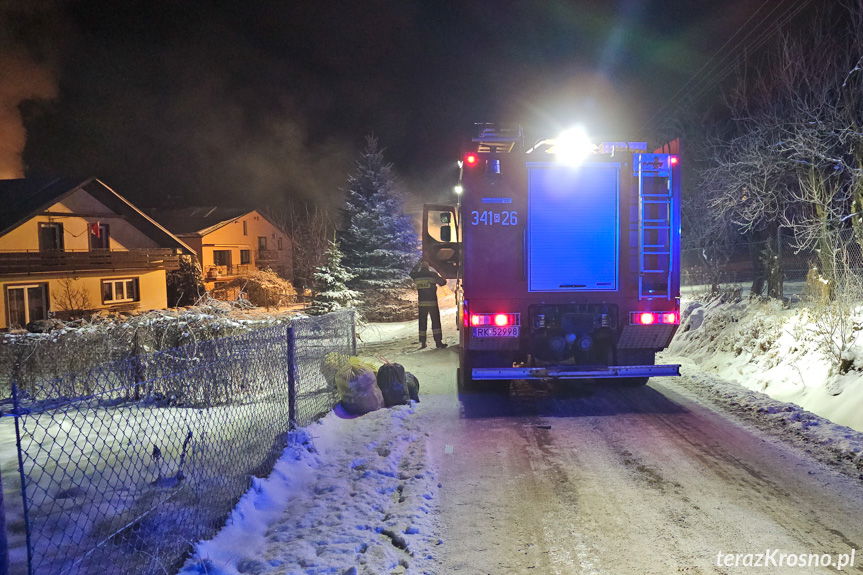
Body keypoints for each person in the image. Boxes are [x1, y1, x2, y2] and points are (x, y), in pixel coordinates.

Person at [410, 259, 448, 349]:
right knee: (436, 323)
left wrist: (416, 264)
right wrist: (435, 267)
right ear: (428, 266)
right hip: (432, 303)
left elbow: (411, 274)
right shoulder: (432, 275)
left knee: (422, 323)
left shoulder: (417, 276)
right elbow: (443, 282)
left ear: (421, 266)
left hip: (422, 304)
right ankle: (438, 343)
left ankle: (423, 343)